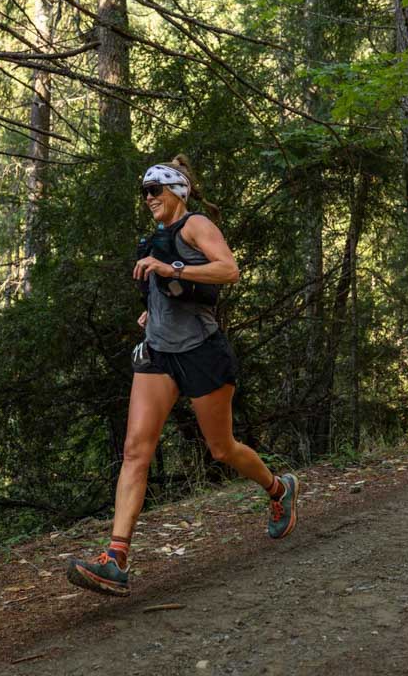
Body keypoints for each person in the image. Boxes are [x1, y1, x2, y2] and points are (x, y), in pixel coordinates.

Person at [67, 155, 299, 598]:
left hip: (201, 353)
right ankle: (115, 558)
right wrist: (151, 309)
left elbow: (228, 270)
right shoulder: (154, 239)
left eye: (156, 189)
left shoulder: (195, 225)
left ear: (178, 192)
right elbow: (171, 290)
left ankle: (277, 488)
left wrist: (171, 269)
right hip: (158, 353)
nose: (149, 198)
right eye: (145, 192)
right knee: (136, 450)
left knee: (221, 448)